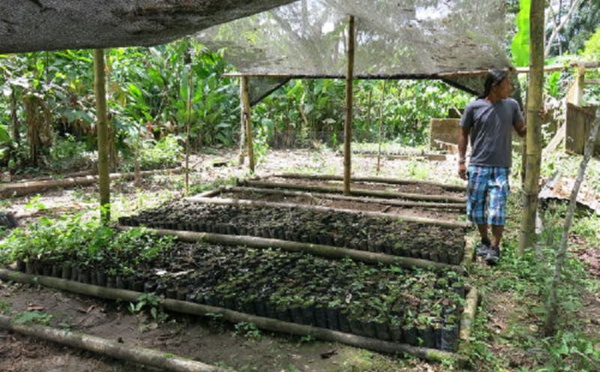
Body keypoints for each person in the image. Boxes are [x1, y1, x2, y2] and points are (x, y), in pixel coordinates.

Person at [457, 69, 526, 266]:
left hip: (501, 166)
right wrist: (461, 161)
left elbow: (522, 131)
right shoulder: (474, 107)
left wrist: (538, 119)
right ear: (495, 86)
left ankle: (495, 247)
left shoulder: (511, 106)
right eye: (507, 84)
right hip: (478, 165)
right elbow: (463, 133)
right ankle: (485, 241)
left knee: (498, 209)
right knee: (477, 208)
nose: (510, 88)